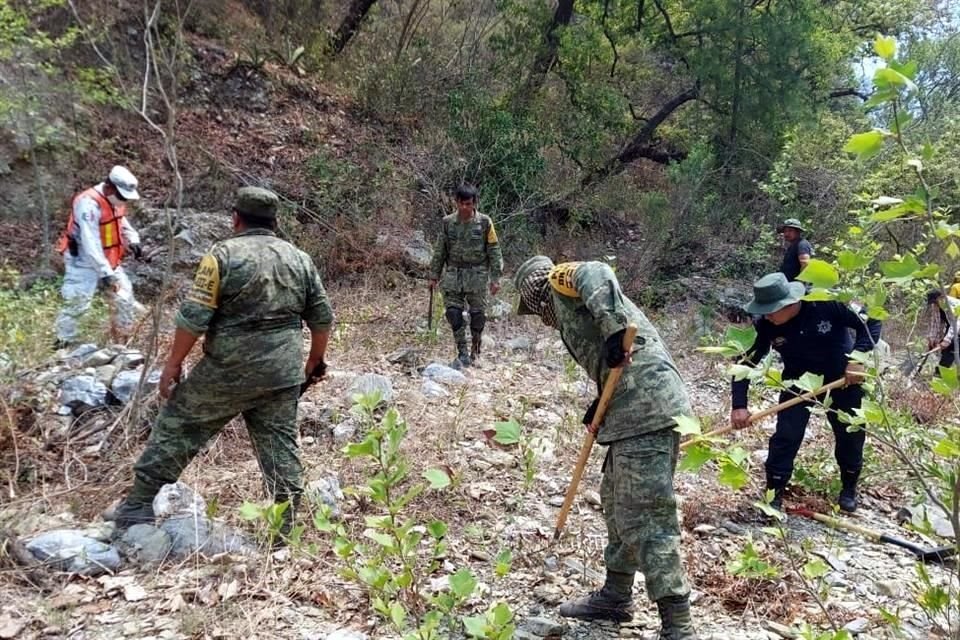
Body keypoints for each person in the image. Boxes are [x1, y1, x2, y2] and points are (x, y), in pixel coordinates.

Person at [110, 187, 334, 535]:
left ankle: (138, 505)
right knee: (280, 447)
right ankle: (285, 530)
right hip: (282, 372)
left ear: (236, 219)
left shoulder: (222, 255)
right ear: (275, 222)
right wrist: (314, 363)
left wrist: (172, 364)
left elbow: (193, 319)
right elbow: (322, 318)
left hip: (228, 370)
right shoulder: (298, 258)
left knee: (179, 423)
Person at [515, 256, 697, 639]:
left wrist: (615, 330)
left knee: (647, 515)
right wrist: (599, 406)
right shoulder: (569, 310)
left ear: (535, 295)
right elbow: (611, 365)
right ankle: (616, 596)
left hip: (648, 409)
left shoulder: (559, 282)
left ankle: (678, 626)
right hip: (628, 411)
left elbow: (594, 270)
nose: (539, 317)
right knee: (616, 503)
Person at [730, 273, 876, 514]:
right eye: (763, 310)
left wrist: (858, 358)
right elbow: (745, 363)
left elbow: (871, 321)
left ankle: (849, 488)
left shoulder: (826, 301)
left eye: (771, 310)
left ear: (789, 302)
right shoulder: (765, 324)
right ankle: (774, 493)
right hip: (797, 382)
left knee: (850, 434)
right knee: (786, 435)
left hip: (842, 379)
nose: (767, 315)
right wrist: (739, 405)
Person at [55, 165, 145, 345]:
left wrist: (133, 239)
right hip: (83, 260)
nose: (122, 200)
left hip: (109, 259)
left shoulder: (114, 201)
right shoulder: (88, 204)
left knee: (124, 297)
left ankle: (124, 340)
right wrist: (106, 273)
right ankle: (62, 342)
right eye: (121, 196)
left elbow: (120, 220)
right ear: (110, 187)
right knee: (78, 303)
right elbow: (90, 242)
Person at [429, 184, 503, 368]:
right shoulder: (448, 223)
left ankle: (475, 348)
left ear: (474, 203)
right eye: (461, 204)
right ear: (456, 203)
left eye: (468, 204)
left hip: (477, 275)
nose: (464, 208)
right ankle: (462, 352)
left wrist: (496, 278)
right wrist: (433, 275)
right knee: (453, 313)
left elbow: (494, 250)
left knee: (477, 315)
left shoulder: (485, 222)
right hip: (454, 274)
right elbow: (440, 250)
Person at [925, 290, 958, 369]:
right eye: (933, 303)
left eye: (936, 302)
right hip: (951, 326)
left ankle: (941, 372)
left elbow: (956, 323)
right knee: (945, 349)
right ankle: (941, 370)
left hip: (957, 325)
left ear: (942, 297)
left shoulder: (954, 305)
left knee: (951, 346)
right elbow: (935, 322)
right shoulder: (935, 305)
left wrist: (947, 340)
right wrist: (932, 339)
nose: (935, 304)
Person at [777, 218, 813, 283]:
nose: (787, 234)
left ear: (797, 232)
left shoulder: (802, 244)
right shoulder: (793, 246)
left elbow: (805, 264)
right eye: (785, 231)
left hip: (797, 287)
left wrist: (800, 283)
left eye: (790, 231)